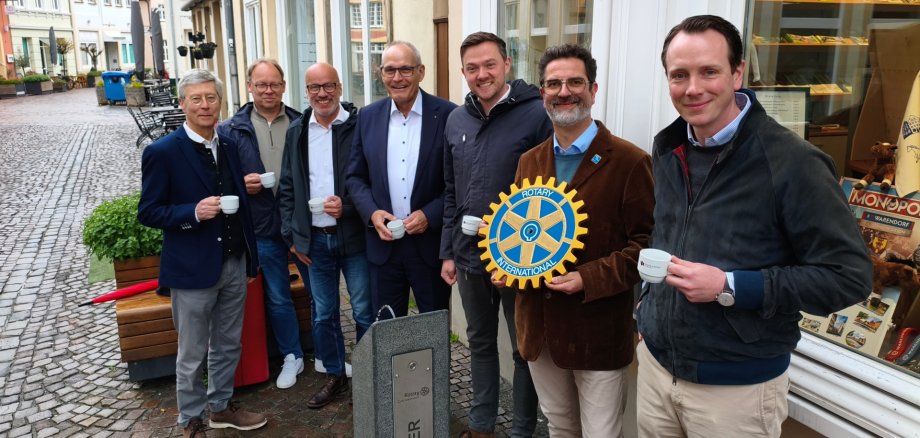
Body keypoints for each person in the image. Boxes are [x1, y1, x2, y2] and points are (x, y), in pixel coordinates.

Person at [635, 15, 873, 437]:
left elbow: (849, 278)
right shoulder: (668, 146)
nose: (693, 88)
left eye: (709, 71)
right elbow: (668, 233)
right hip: (657, 370)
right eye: (679, 75)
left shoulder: (794, 163)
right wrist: (646, 311)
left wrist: (730, 285)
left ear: (738, 72)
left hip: (736, 391)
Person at [492, 44, 655, 437]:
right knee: (561, 428)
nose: (564, 91)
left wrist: (588, 277)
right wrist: (507, 266)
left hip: (596, 331)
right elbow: (522, 233)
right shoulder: (529, 161)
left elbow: (646, 247)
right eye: (553, 83)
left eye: (575, 82)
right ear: (542, 93)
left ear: (593, 89)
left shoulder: (630, 161)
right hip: (539, 330)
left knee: (600, 432)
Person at [138, 69, 266, 437]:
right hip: (192, 269)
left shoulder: (226, 145)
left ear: (220, 101)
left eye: (211, 97)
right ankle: (190, 417)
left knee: (228, 344)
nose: (205, 105)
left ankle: (221, 407)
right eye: (196, 98)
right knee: (192, 352)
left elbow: (242, 204)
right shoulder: (162, 151)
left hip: (233, 262)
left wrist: (250, 260)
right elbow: (148, 211)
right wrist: (193, 212)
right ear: (183, 104)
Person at [441, 32, 551, 438]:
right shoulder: (457, 119)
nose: (481, 74)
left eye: (489, 64)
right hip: (469, 255)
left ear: (507, 64)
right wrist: (448, 252)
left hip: (518, 257)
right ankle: (482, 426)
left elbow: (549, 193)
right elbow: (450, 190)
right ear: (464, 72)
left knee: (524, 348)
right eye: (472, 68)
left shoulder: (536, 113)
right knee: (480, 342)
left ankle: (522, 430)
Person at [278, 62, 373, 409]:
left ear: (340, 87)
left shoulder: (360, 126)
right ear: (306, 92)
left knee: (364, 310)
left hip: (355, 238)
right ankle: (335, 373)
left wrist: (347, 206)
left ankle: (366, 373)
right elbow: (287, 185)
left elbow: (373, 180)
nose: (322, 93)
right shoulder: (297, 130)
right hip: (314, 241)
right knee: (323, 313)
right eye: (314, 87)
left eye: (328, 85)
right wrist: (291, 235)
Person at [346, 41, 457, 318]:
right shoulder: (368, 116)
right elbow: (355, 177)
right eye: (390, 70)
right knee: (387, 332)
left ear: (421, 71)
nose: (397, 78)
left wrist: (430, 215)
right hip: (383, 248)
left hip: (429, 247)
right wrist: (372, 213)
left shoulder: (448, 115)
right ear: (380, 73)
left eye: (405, 69)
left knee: (433, 330)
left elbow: (457, 182)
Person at [216, 59, 306, 390]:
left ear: (284, 86)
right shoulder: (230, 129)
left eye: (274, 84)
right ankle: (292, 355)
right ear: (250, 87)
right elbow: (218, 179)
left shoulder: (301, 121)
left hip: (301, 223)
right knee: (279, 296)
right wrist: (241, 183)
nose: (268, 90)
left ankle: (329, 353)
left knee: (319, 292)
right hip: (262, 226)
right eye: (261, 84)